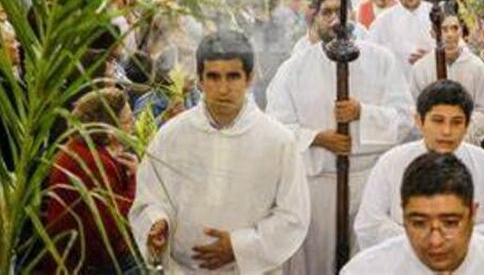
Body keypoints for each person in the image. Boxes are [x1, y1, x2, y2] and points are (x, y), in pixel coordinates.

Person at [129, 30, 310, 273]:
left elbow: (293, 217)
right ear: (200, 80)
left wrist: (239, 247)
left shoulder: (278, 142)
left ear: (250, 79)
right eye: (213, 77)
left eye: (233, 77)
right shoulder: (172, 136)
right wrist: (157, 222)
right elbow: (149, 197)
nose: (223, 89)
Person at [267, 0, 414, 275]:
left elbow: (405, 117)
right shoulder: (294, 68)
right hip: (318, 186)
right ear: (315, 17)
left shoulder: (381, 60)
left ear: (354, 16)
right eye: (327, 12)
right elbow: (276, 126)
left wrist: (364, 113)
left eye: (341, 12)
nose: (335, 20)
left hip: (368, 180)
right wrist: (319, 138)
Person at [355, 80, 484, 250]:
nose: (447, 131)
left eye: (456, 122)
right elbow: (369, 224)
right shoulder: (391, 163)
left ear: (466, 126)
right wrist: (420, 240)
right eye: (438, 120)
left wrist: (457, 241)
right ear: (419, 121)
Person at [342, 152, 484, 275]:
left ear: (473, 214)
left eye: (450, 223)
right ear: (403, 216)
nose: (435, 240)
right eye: (419, 223)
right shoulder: (365, 271)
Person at [43, 88, 138, 274]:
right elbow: (116, 226)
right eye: (128, 121)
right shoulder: (94, 163)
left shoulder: (79, 148)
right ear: (109, 130)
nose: (133, 126)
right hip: (90, 265)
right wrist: (136, 178)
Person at [410, 14, 484, 144]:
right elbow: (414, 107)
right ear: (434, 33)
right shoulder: (421, 68)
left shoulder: (476, 67)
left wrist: (461, 131)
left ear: (461, 30)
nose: (450, 34)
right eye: (444, 29)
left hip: (467, 141)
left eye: (454, 28)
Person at [368, 0, 433, 78]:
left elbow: (455, 50)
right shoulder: (382, 22)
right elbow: (371, 57)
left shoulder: (436, 14)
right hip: (397, 87)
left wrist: (432, 59)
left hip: (430, 84)